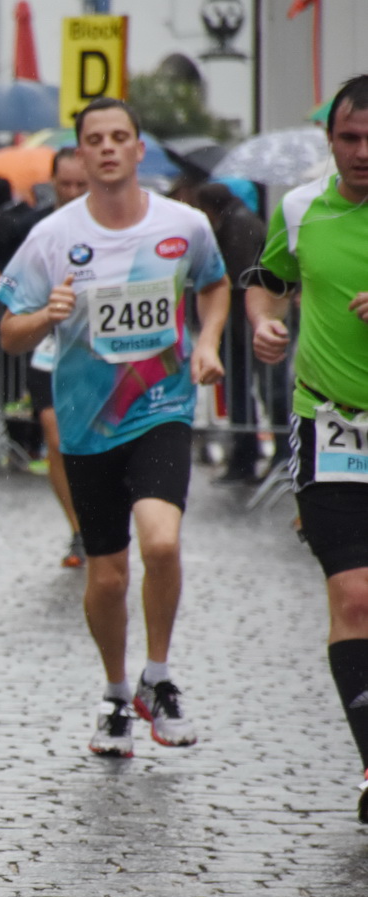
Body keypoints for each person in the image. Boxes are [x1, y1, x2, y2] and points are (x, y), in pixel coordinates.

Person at [0, 97, 228, 757]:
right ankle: (117, 690)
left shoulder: (184, 225)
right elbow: (9, 330)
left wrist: (208, 341)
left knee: (159, 544)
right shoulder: (51, 236)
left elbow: (213, 285)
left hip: (161, 408)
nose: (106, 148)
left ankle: (159, 675)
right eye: (94, 138)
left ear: (137, 148)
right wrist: (46, 316)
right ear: (81, 150)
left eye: (118, 136)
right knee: (108, 576)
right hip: (87, 422)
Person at [245, 73, 368, 823]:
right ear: (330, 141)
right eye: (350, 139)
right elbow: (266, 278)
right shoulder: (299, 207)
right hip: (329, 424)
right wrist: (263, 321)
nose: (363, 153)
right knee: (354, 596)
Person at [0, 154, 90, 567]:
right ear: (52, 182)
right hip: (48, 348)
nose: (71, 193)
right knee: (54, 436)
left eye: (79, 185)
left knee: (91, 443)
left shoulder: (114, 225)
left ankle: (103, 520)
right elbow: (13, 298)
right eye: (64, 184)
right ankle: (79, 530)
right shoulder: (40, 230)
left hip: (96, 355)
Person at [195, 181, 269, 482]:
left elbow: (236, 273)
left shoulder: (238, 224)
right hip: (243, 324)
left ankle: (247, 455)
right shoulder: (239, 219)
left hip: (243, 324)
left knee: (247, 391)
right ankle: (245, 453)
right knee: (243, 392)